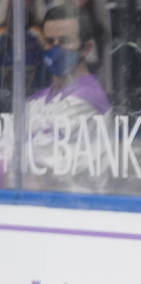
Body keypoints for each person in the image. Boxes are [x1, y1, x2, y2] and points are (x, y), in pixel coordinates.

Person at [25, 3, 110, 180]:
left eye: (63, 41)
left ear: (86, 49)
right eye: (49, 41)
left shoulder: (88, 99)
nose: (55, 48)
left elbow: (39, 165)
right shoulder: (38, 99)